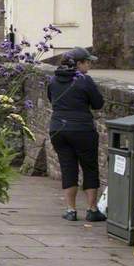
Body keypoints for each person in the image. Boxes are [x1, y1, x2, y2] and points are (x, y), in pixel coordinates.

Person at [47, 47, 105, 222]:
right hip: (82, 129)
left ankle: (70, 210)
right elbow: (98, 103)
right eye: (87, 62)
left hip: (58, 129)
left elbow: (52, 100)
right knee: (89, 167)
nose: (89, 65)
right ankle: (91, 209)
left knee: (68, 168)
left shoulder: (53, 80)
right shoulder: (85, 81)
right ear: (78, 64)